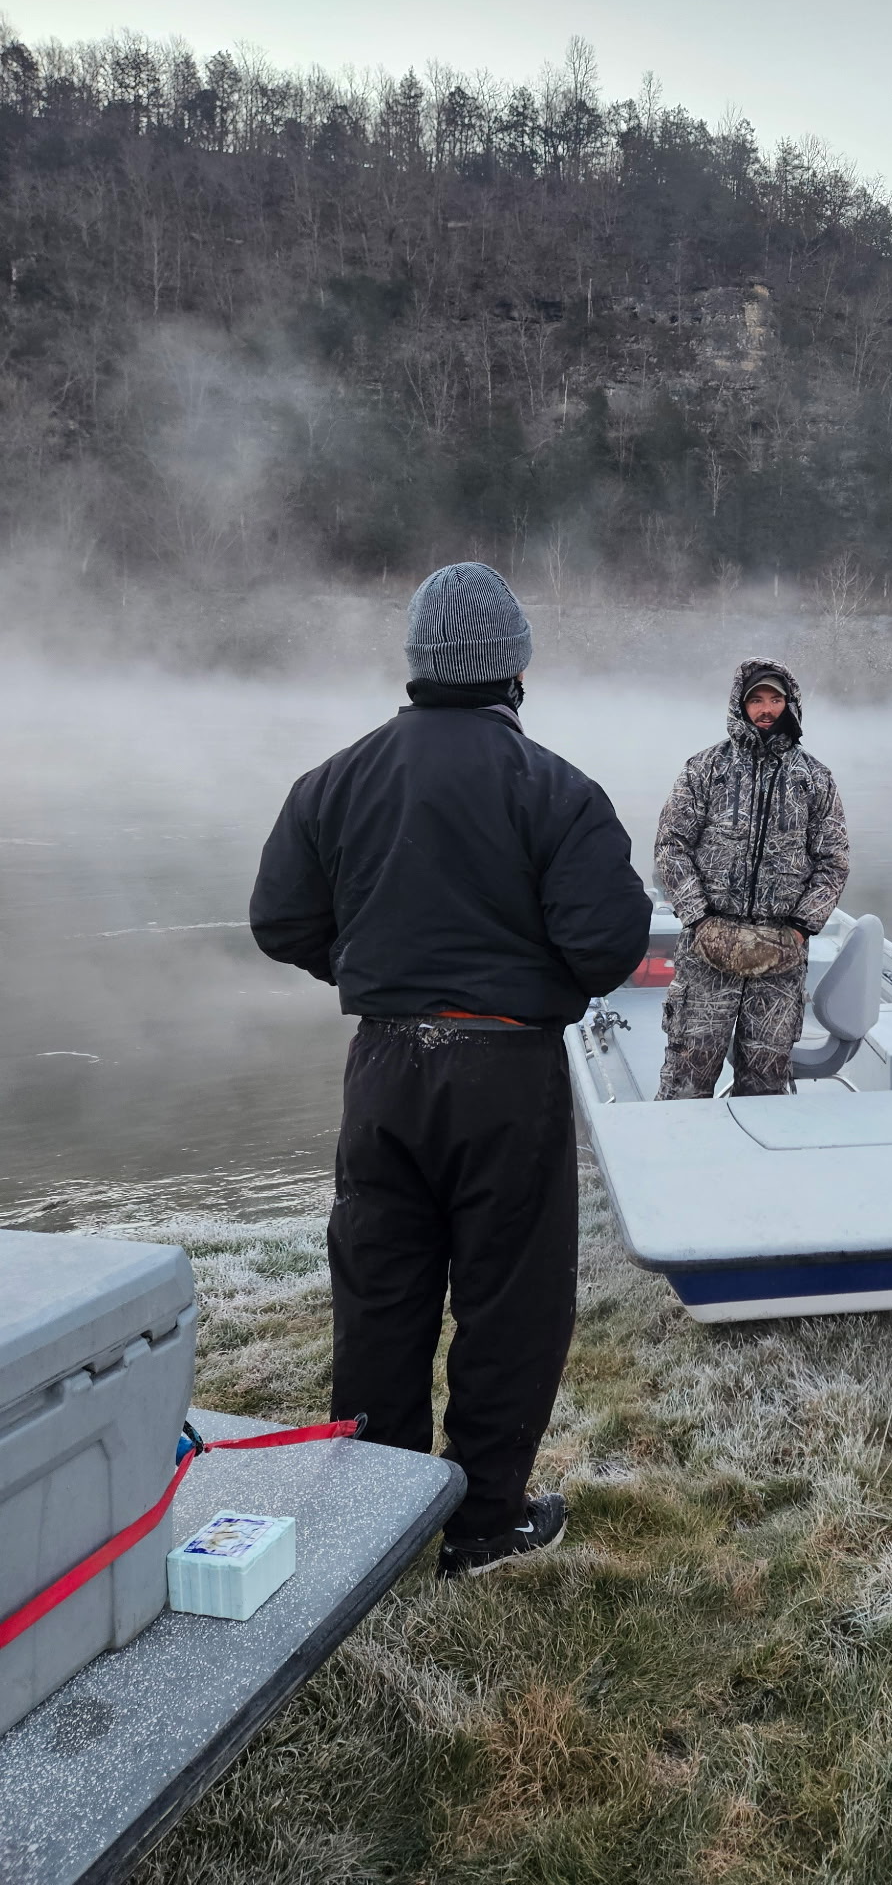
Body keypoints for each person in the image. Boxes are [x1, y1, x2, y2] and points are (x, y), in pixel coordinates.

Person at [249, 563, 651, 1579]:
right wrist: (515, 975)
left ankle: (376, 1526)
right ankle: (482, 1525)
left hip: (383, 1065)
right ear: (516, 666)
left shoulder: (336, 779)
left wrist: (381, 969)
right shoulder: (556, 789)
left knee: (380, 1290)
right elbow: (607, 944)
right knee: (512, 1302)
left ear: (419, 663)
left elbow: (280, 920)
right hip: (508, 1071)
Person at [654, 659, 849, 1099]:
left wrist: (800, 929)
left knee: (765, 1082)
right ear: (740, 706)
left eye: (775, 699)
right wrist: (700, 920)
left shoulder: (814, 778)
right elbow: (671, 847)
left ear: (790, 704)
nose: (766, 709)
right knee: (688, 1074)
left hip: (780, 955)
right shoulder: (704, 769)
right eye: (756, 699)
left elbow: (833, 861)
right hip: (708, 948)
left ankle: (758, 1166)